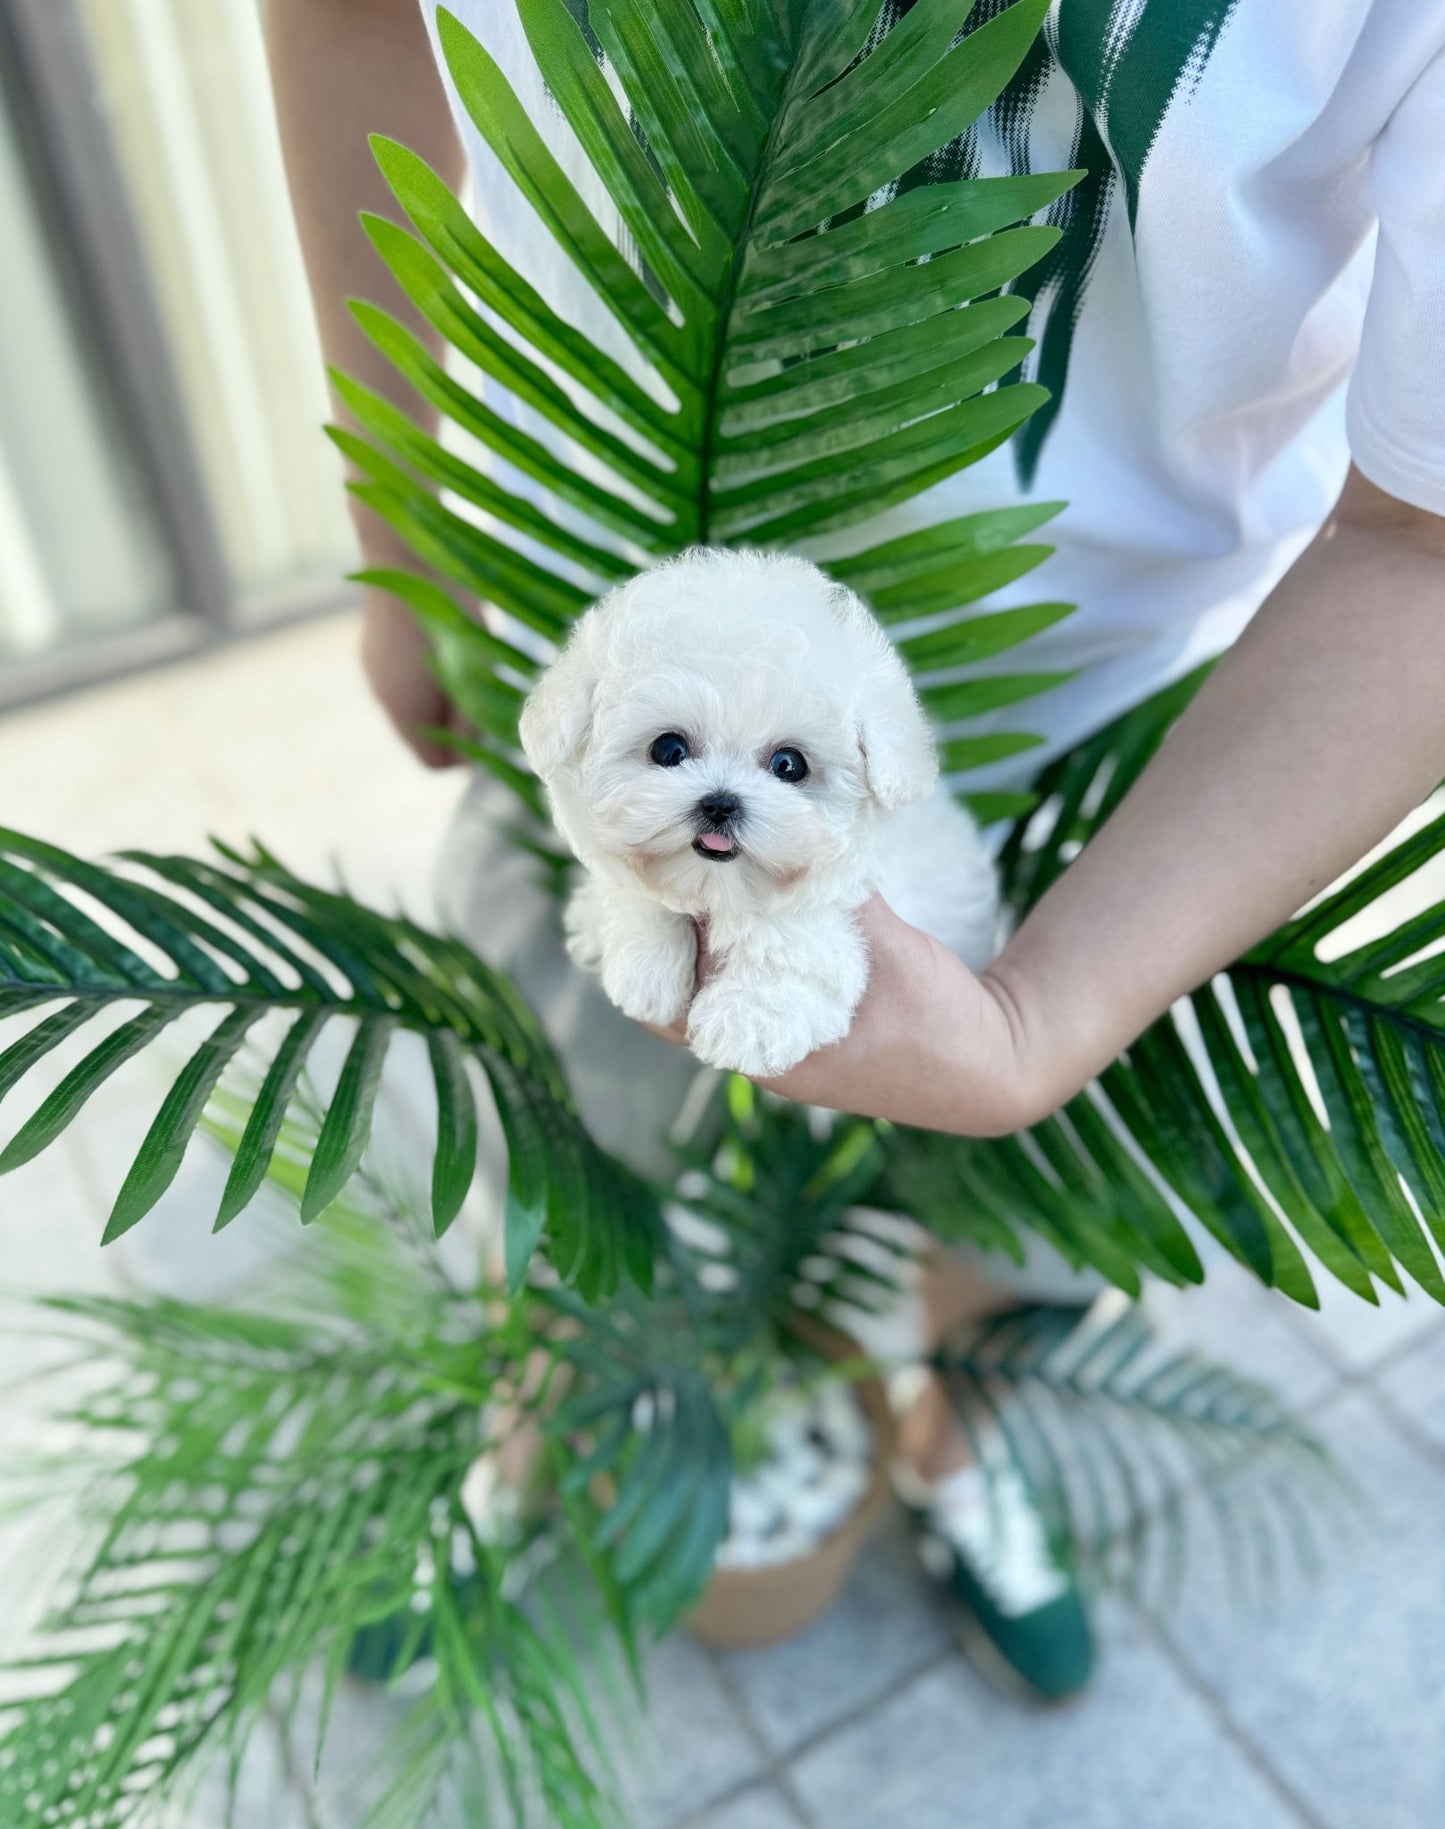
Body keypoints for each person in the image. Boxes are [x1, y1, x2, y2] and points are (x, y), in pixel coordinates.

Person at [267, 0, 1445, 1700]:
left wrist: (1044, 1024)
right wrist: (407, 549)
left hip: (1100, 697)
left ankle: (952, 1421)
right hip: (603, 633)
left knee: (1013, 1195)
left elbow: (1424, 534)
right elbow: (346, 19)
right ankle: (543, 1408)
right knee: (581, 1125)